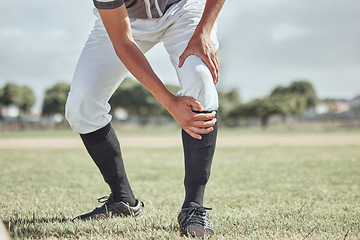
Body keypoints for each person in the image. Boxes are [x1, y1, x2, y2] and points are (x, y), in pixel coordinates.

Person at [65, 0, 225, 238]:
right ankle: (123, 200)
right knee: (81, 105)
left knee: (200, 82)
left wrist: (203, 30)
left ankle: (194, 207)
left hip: (184, 10)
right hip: (126, 22)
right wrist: (169, 102)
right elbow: (123, 41)